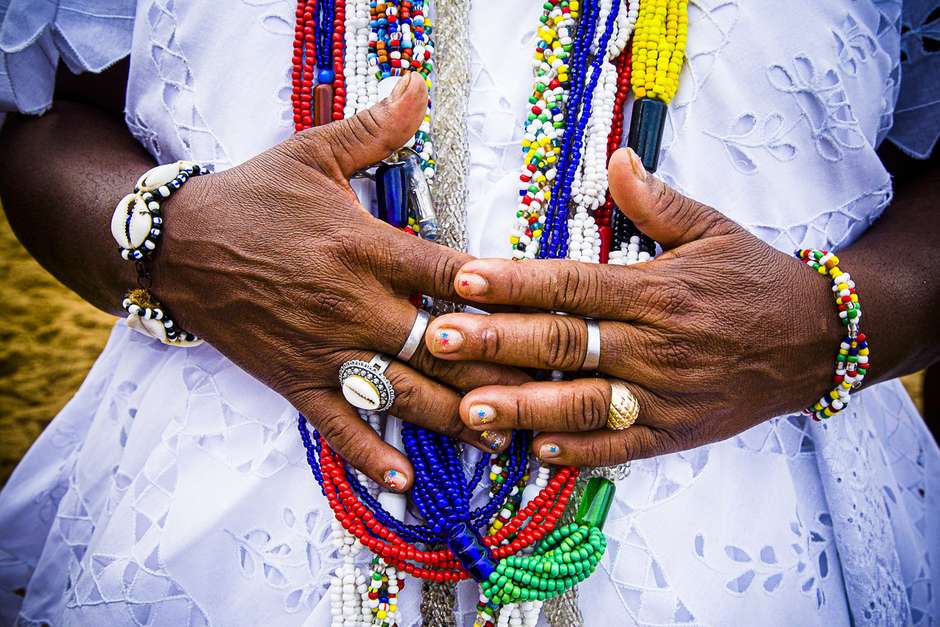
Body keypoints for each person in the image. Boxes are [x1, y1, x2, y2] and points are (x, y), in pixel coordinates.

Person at [0, 1, 937, 625]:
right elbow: (49, 115)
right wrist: (177, 238)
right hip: (214, 537)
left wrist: (829, 326)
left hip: (746, 536)